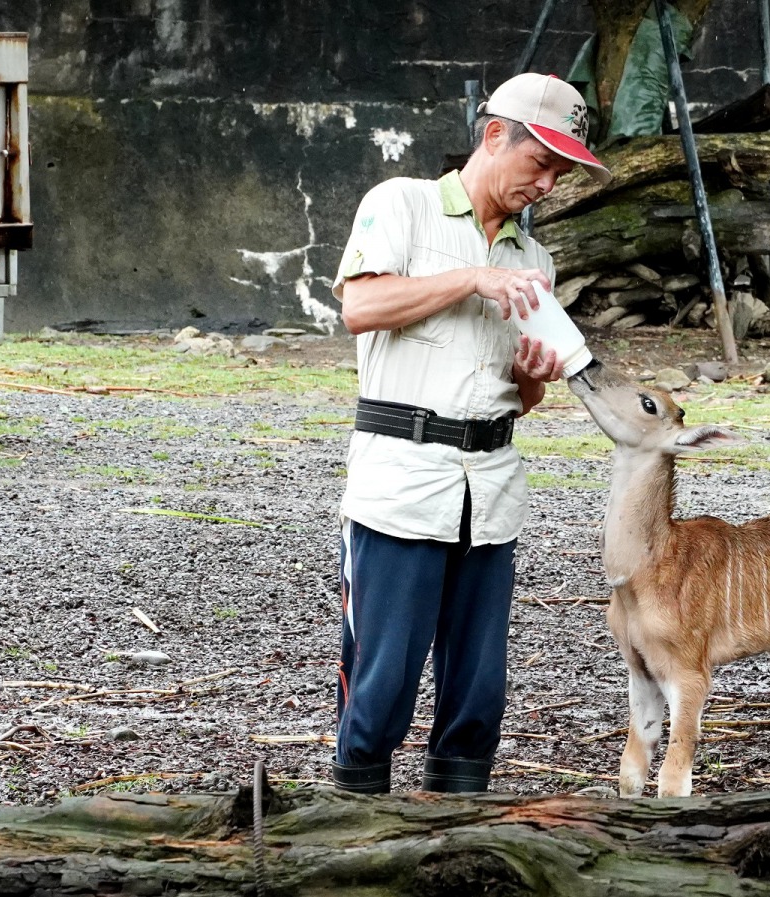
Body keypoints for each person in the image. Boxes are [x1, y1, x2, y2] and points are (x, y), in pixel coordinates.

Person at [329, 72, 611, 794]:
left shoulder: (535, 262)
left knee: (479, 683)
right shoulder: (404, 204)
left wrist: (532, 372)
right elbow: (361, 306)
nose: (548, 183)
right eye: (540, 162)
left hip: (488, 487)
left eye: (561, 170)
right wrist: (470, 279)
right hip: (402, 477)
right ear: (494, 136)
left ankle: (462, 825)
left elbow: (519, 398)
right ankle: (353, 821)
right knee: (383, 674)